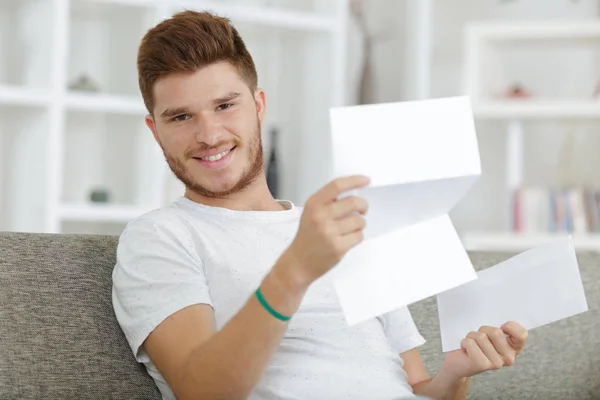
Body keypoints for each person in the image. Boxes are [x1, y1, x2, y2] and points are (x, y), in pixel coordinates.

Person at [112, 10, 528, 400]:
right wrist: (295, 268)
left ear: (258, 105)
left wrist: (457, 373)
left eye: (225, 105)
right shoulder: (159, 238)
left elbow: (414, 385)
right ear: (155, 129)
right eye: (181, 117)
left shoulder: (343, 224)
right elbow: (202, 390)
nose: (209, 134)